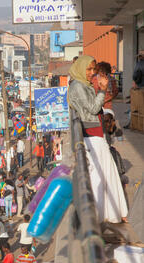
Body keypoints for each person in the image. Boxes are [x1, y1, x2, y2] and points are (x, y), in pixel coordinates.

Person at [68, 55, 128, 224]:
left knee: (108, 173)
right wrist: (102, 90)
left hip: (96, 132)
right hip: (90, 136)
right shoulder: (78, 86)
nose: (92, 73)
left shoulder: (83, 85)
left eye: (93, 69)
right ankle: (100, 215)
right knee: (100, 176)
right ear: (80, 68)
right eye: (89, 69)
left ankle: (113, 212)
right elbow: (94, 108)